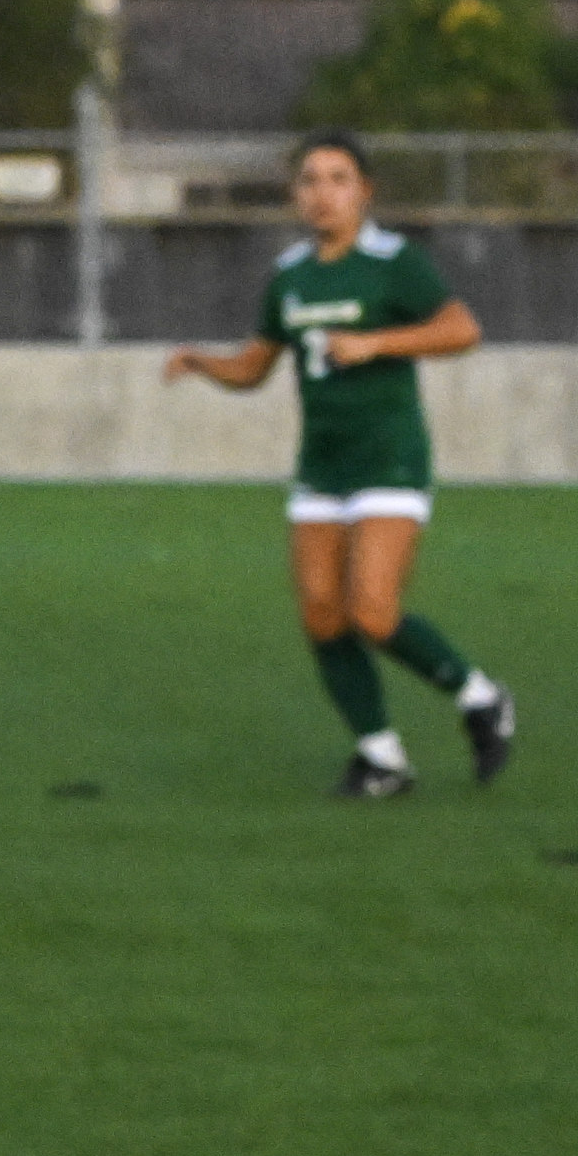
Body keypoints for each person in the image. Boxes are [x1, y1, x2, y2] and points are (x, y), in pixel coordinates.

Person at [165, 131, 514, 797]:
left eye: (338, 179)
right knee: (322, 615)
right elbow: (255, 367)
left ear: (365, 191)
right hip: (323, 467)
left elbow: (462, 329)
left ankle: (480, 696)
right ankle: (383, 759)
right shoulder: (291, 275)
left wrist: (376, 342)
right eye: (310, 180)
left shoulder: (394, 262)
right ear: (295, 194)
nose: (322, 193)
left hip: (390, 459)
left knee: (373, 613)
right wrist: (202, 362)